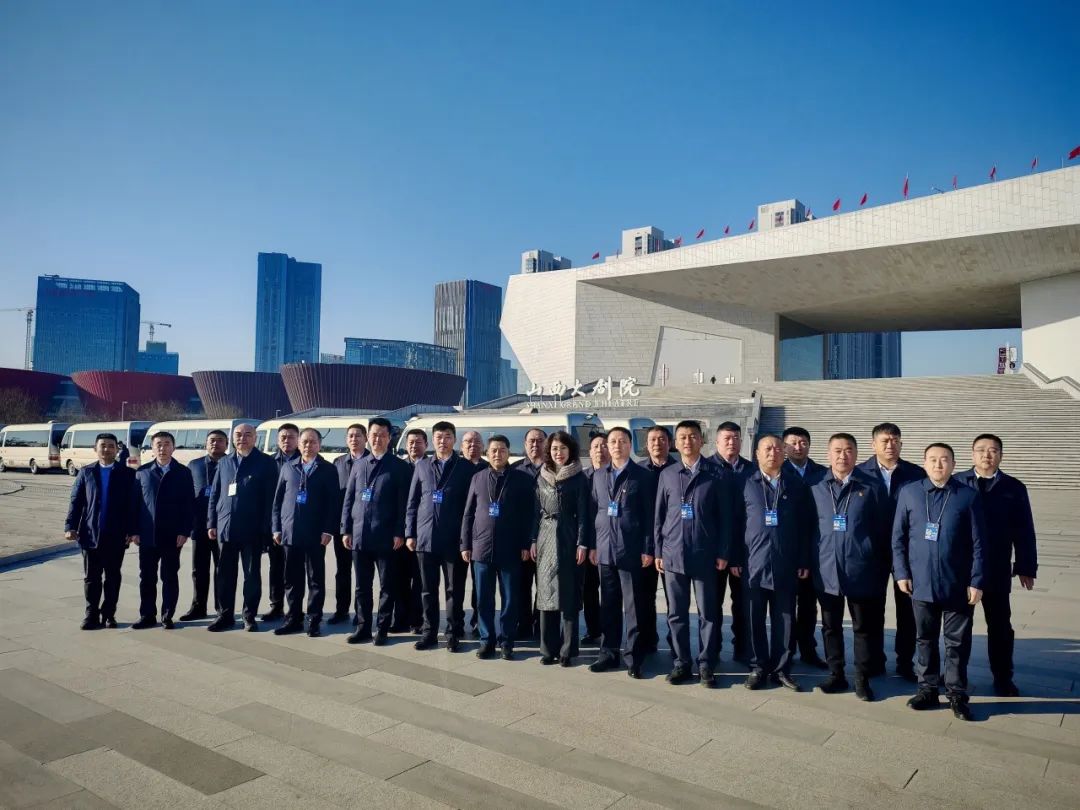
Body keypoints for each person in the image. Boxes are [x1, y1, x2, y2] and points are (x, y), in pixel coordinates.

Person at [893, 443, 987, 721]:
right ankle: (928, 689)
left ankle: (957, 693)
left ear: (953, 464)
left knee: (957, 643)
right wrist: (901, 573)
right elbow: (898, 537)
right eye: (932, 459)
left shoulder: (967, 496)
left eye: (944, 459)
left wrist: (976, 580)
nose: (938, 464)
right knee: (925, 639)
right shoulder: (909, 492)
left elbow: (980, 543)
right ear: (924, 463)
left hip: (958, 584)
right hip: (920, 583)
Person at [953, 434, 1037, 697]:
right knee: (959, 627)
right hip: (962, 569)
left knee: (1000, 626)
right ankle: (956, 677)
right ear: (972, 454)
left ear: (1001, 455)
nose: (986, 455)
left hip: (996, 568)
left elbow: (1024, 529)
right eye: (981, 450)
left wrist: (1026, 566)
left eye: (993, 450)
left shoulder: (1013, 487)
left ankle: (1003, 677)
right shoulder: (957, 482)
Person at [809, 433, 890, 701]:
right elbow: (808, 528)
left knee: (862, 628)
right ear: (828, 454)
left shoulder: (872, 486)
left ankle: (862, 678)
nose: (842, 456)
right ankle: (836, 674)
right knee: (830, 626)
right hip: (826, 569)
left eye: (848, 450)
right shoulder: (816, 486)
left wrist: (878, 563)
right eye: (837, 450)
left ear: (856, 454)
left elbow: (883, 529)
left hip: (861, 569)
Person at [732, 433, 813, 691]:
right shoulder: (745, 483)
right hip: (753, 563)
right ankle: (758, 666)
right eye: (767, 449)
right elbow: (735, 525)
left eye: (778, 449)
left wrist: (803, 559)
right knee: (754, 618)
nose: (773, 453)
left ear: (784, 453)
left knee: (785, 619)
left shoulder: (796, 485)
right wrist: (735, 557)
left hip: (786, 563)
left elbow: (806, 526)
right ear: (757, 454)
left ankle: (781, 669)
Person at [654, 420, 730, 687]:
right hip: (673, 554)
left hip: (705, 555)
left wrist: (723, 551)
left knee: (708, 613)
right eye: (683, 437)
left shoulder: (716, 474)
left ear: (702, 440)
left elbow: (725, 518)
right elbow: (659, 516)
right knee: (676, 613)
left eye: (693, 436)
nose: (688, 441)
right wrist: (658, 550)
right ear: (676, 443)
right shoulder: (668, 474)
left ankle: (706, 663)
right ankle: (681, 662)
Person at [857, 423, 927, 681]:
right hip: (871, 553)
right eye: (885, 441)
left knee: (908, 611)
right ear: (873, 444)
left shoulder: (915, 473)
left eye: (895, 440)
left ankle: (905, 661)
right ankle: (874, 660)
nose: (890, 445)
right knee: (872, 609)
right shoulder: (859, 473)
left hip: (907, 553)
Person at [588, 426, 655, 678]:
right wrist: (593, 545)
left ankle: (634, 657)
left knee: (634, 607)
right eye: (613, 441)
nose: (617, 446)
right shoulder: (598, 475)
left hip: (632, 551)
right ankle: (608, 653)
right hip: (605, 550)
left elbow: (650, 516)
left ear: (630, 445)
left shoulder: (642, 476)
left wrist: (648, 548)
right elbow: (594, 512)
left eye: (622, 441)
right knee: (609, 605)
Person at [406, 420, 479, 652]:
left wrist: (467, 540)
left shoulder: (466, 468)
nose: (443, 441)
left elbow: (472, 508)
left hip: (454, 540)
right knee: (427, 589)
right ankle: (429, 632)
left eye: (447, 436)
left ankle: (453, 632)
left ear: (454, 440)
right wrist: (410, 533)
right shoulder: (422, 466)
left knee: (454, 590)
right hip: (425, 538)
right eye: (438, 436)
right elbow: (413, 502)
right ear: (432, 440)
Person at [461, 435, 535, 660]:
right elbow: (468, 513)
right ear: (487, 453)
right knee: (484, 598)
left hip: (511, 549)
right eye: (493, 450)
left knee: (510, 598)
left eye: (502, 450)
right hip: (481, 548)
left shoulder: (521, 479)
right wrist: (465, 544)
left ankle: (507, 641)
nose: (497, 454)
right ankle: (486, 640)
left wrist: (526, 543)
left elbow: (528, 515)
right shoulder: (478, 478)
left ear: (508, 452)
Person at [341, 417, 412, 646]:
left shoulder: (399, 467)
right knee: (362, 586)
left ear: (389, 438)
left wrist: (400, 532)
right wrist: (346, 529)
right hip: (359, 535)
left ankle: (382, 628)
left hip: (386, 537)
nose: (377, 439)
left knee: (387, 586)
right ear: (368, 437)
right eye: (374, 435)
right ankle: (363, 627)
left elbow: (404, 504)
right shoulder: (359, 464)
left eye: (382, 435)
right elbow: (349, 499)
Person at [208, 423, 277, 632]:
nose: (242, 438)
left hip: (252, 530)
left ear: (255, 438)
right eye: (238, 434)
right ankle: (225, 615)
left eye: (248, 435)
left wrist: (266, 529)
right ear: (232, 438)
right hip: (226, 527)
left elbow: (271, 500)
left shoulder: (266, 462)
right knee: (224, 575)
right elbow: (215, 493)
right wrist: (212, 522)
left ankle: (249, 616)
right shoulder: (225, 462)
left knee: (251, 576)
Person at [65, 433, 138, 629]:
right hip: (90, 534)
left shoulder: (127, 474)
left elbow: (133, 506)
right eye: (103, 445)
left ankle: (109, 614)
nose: (107, 449)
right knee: (91, 577)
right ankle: (91, 614)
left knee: (113, 577)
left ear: (117, 449)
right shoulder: (86, 472)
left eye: (111, 446)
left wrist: (132, 530)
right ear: (95, 448)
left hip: (116, 535)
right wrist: (70, 526)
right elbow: (76, 501)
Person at [272, 427, 339, 637]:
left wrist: (328, 530)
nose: (308, 445)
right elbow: (277, 501)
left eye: (312, 442)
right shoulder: (288, 467)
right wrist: (276, 528)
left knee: (315, 579)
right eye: (305, 442)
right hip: (290, 532)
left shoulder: (328, 469)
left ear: (319, 445)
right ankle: (293, 618)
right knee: (292, 579)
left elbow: (333, 504)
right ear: (299, 444)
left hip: (315, 534)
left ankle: (313, 620)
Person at [533, 430, 590, 666]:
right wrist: (532, 539)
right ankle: (548, 649)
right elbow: (534, 511)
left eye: (563, 448)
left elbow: (584, 514)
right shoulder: (541, 475)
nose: (559, 453)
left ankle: (568, 650)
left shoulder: (579, 477)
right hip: (545, 536)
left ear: (570, 450)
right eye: (555, 448)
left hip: (568, 536)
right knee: (546, 593)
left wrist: (582, 542)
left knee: (569, 594)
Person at [129, 431, 194, 629]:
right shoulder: (142, 472)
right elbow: (134, 504)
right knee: (147, 577)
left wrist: (184, 531)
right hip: (147, 535)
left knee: (169, 576)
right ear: (152, 447)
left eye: (166, 444)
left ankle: (167, 615)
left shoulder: (183, 472)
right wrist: (134, 530)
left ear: (173, 447)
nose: (162, 448)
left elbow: (188, 504)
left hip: (172, 535)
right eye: (158, 444)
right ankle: (147, 615)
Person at [781, 426, 828, 670]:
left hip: (813, 548)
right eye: (793, 443)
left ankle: (809, 650)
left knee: (809, 606)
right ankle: (786, 651)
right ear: (784, 447)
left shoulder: (822, 473)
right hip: (785, 549)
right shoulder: (777, 471)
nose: (798, 447)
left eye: (803, 443)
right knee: (786, 607)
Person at [709, 421, 755, 662]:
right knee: (712, 604)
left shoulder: (751, 470)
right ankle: (713, 649)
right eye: (726, 438)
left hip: (743, 551)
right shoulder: (706, 469)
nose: (732, 442)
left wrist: (736, 554)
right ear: (716, 441)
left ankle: (743, 649)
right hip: (713, 552)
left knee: (743, 605)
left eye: (736, 438)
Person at [180, 430, 227, 621]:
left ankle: (221, 608)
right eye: (212, 441)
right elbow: (186, 496)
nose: (215, 444)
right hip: (199, 526)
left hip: (222, 526)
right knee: (198, 569)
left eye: (220, 441)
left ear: (227, 444)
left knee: (222, 569)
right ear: (206, 444)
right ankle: (198, 606)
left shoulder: (231, 464)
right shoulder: (194, 465)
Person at [638, 425, 677, 654]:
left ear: (670, 443)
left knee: (674, 599)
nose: (657, 443)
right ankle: (647, 640)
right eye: (652, 439)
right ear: (646, 444)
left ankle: (676, 643)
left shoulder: (678, 469)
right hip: (645, 544)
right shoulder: (639, 471)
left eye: (662, 439)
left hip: (671, 544)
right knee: (645, 597)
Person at [330, 423, 368, 625]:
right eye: (351, 436)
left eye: (358, 436)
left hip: (366, 526)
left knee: (363, 574)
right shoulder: (338, 463)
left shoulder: (372, 461)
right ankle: (341, 610)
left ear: (366, 438)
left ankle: (361, 613)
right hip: (343, 526)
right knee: (342, 570)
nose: (354, 439)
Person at [263, 423, 301, 623]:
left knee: (296, 569)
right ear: (277, 440)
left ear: (298, 439)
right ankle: (276, 606)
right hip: (275, 525)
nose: (287, 441)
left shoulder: (305, 461)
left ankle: (296, 609)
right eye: (283, 437)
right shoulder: (268, 463)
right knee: (276, 567)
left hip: (298, 524)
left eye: (291, 437)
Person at [511, 428, 545, 639]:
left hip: (547, 537)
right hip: (521, 538)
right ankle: (523, 625)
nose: (535, 444)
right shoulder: (515, 469)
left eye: (540, 441)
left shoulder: (555, 468)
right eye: (531, 441)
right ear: (525, 444)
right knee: (522, 585)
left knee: (545, 586)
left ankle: (541, 625)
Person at [392, 428, 427, 634]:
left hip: (422, 532)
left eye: (418, 442)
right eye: (411, 442)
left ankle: (417, 620)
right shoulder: (398, 466)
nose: (414, 445)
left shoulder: (430, 466)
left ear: (426, 445)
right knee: (400, 578)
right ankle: (400, 619)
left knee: (420, 580)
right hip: (400, 532)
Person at [460, 429, 489, 637]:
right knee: (456, 583)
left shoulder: (489, 468)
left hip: (482, 535)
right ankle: (456, 620)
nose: (473, 445)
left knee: (480, 583)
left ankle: (479, 619)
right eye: (468, 442)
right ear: (461, 446)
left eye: (477, 442)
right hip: (458, 533)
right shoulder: (455, 467)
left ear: (483, 446)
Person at [580, 432, 607, 645]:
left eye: (604, 445)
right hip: (587, 542)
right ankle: (594, 629)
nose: (600, 450)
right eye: (596, 446)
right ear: (589, 452)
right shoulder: (582, 478)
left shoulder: (615, 475)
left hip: (609, 542)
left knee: (610, 591)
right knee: (589, 590)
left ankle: (610, 630)